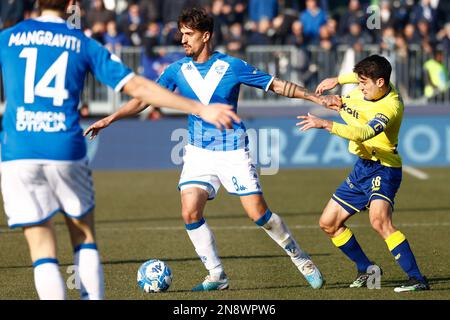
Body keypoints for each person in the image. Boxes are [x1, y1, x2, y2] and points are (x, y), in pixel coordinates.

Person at [86, 7, 341, 291]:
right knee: (189, 212)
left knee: (260, 215)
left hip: (233, 150)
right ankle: (216, 275)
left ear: (206, 36)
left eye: (189, 35)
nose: (183, 40)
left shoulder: (232, 66)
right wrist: (110, 118)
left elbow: (277, 86)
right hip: (198, 152)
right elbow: (144, 98)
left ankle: (300, 258)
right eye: (181, 34)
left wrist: (317, 100)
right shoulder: (176, 70)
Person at [0, 0, 239, 300]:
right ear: (72, 4)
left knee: (42, 251)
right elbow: (139, 88)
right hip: (64, 149)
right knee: (83, 239)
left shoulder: (7, 37)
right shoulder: (80, 42)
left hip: (17, 153)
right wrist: (198, 108)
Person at [297, 55, 430, 292]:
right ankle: (367, 270)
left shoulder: (391, 106)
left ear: (380, 82)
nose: (360, 87)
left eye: (364, 83)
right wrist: (336, 80)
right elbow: (355, 89)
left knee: (379, 221)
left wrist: (325, 124)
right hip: (362, 168)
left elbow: (363, 134)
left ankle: (417, 278)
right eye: (359, 82)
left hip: (384, 168)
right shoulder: (368, 90)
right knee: (328, 224)